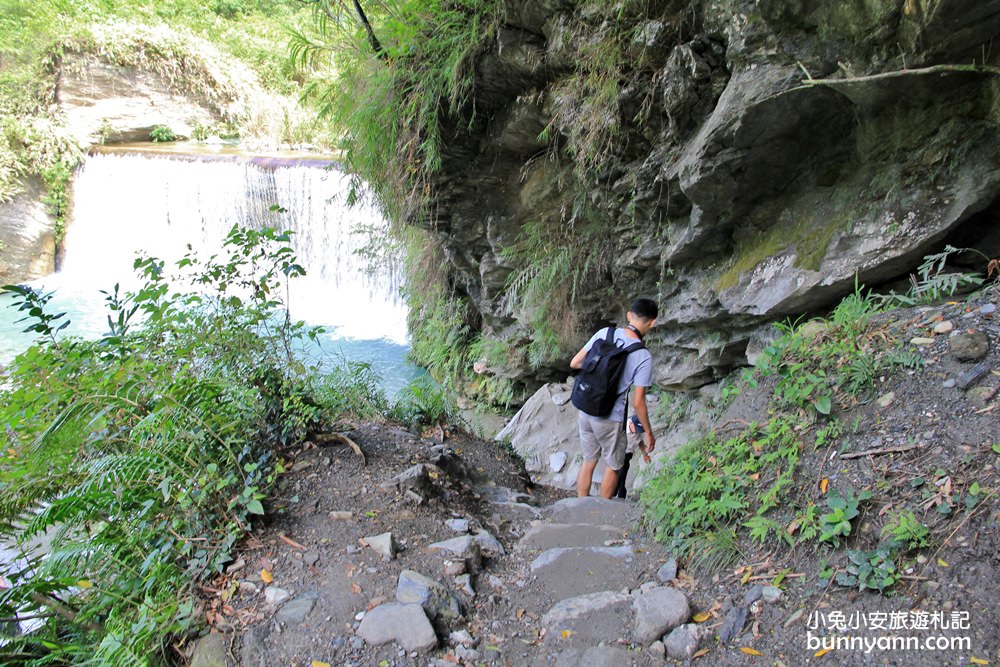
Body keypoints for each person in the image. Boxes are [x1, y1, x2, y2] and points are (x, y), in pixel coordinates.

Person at [569, 297, 658, 498]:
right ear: (652, 322)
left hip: (586, 408)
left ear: (629, 315)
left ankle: (580, 506)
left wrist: (597, 376)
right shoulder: (643, 356)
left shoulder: (605, 333)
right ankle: (600, 512)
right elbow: (638, 402)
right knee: (614, 465)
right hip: (611, 417)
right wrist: (649, 433)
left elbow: (575, 363)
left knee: (589, 460)